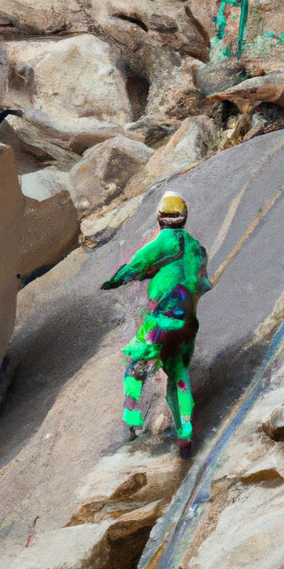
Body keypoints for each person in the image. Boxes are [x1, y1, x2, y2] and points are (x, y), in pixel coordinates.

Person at [101, 191, 211, 458]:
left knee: (135, 362)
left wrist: (111, 282)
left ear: (160, 219)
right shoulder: (197, 249)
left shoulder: (164, 241)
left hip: (161, 324)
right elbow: (205, 283)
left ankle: (132, 421)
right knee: (179, 374)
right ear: (184, 218)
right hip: (188, 324)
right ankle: (186, 435)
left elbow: (135, 266)